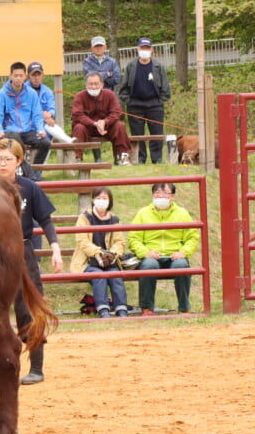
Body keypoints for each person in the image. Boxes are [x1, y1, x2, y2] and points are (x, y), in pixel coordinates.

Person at [0, 138, 62, 385]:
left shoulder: (29, 188)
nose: (2, 163)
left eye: (8, 159)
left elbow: (46, 221)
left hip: (22, 250)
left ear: (19, 161)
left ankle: (36, 367)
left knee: (29, 309)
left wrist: (55, 249)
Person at [128, 182, 199, 315]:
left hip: (174, 255)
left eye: (164, 193)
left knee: (181, 265)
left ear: (172, 196)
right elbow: (133, 238)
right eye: (156, 193)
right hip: (152, 255)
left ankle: (184, 307)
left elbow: (192, 236)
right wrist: (145, 252)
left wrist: (183, 252)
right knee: (149, 265)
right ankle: (147, 307)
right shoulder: (143, 214)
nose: (160, 196)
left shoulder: (182, 213)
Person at [71, 187, 128, 319]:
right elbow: (82, 241)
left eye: (104, 198)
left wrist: (113, 254)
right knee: (99, 276)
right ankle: (103, 310)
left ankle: (122, 309)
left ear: (110, 201)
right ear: (93, 200)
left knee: (115, 275)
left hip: (110, 261)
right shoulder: (84, 218)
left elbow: (120, 242)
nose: (101, 201)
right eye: (98, 198)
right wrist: (98, 253)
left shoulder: (115, 220)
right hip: (88, 261)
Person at [118, 37, 171, 165]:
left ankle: (157, 158)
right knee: (137, 134)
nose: (145, 50)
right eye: (142, 48)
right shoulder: (131, 66)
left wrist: (161, 100)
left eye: (147, 48)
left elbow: (165, 85)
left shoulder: (158, 66)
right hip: (135, 105)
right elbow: (123, 87)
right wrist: (128, 100)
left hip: (154, 104)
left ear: (151, 49)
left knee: (156, 133)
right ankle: (140, 158)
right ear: (138, 49)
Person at [0, 62, 50, 166]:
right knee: (10, 144)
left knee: (45, 143)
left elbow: (36, 115)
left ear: (25, 77)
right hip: (10, 131)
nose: (18, 78)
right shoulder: (2, 93)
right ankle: (15, 173)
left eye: (21, 76)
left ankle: (35, 172)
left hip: (27, 130)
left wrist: (40, 129)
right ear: (10, 76)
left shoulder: (31, 93)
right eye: (15, 75)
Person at [71, 71, 132, 166]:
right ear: (86, 85)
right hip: (88, 128)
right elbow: (77, 115)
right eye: (91, 84)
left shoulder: (110, 95)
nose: (94, 87)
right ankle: (76, 158)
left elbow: (117, 112)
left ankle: (123, 157)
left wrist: (105, 122)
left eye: (96, 84)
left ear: (102, 84)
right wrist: (94, 123)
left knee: (120, 125)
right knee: (78, 128)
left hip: (107, 128)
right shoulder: (80, 96)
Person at [26, 62, 72, 144]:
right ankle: (67, 140)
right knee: (47, 127)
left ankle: (68, 140)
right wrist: (42, 115)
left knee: (49, 126)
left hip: (45, 123)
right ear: (28, 76)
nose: (36, 78)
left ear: (43, 75)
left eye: (39, 74)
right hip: (27, 124)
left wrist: (50, 115)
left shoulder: (47, 91)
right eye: (33, 75)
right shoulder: (23, 91)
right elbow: (24, 110)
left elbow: (52, 108)